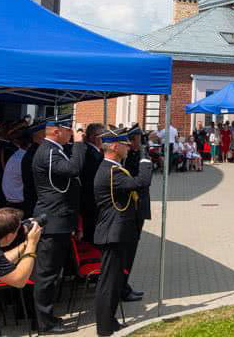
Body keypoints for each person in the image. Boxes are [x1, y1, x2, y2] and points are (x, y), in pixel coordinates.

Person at [93, 130, 153, 336]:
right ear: (115, 147)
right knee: (108, 283)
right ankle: (104, 327)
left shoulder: (114, 169)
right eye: (125, 145)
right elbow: (141, 182)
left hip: (117, 232)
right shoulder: (111, 172)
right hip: (113, 233)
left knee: (115, 280)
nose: (128, 148)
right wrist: (145, 161)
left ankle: (110, 321)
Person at [31, 115, 85, 334]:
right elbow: (73, 169)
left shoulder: (54, 149)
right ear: (56, 132)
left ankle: (47, 317)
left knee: (52, 274)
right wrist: (79, 144)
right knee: (47, 275)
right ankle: (44, 323)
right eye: (68, 130)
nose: (71, 133)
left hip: (59, 219)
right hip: (53, 220)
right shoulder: (49, 152)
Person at [0, 208, 43, 336]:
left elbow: (1, 261)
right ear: (10, 236)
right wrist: (32, 244)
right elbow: (19, 280)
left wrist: (26, 244)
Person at [121, 125, 149, 303]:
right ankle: (123, 288)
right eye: (138, 139)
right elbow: (142, 180)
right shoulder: (129, 158)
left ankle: (124, 285)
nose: (141, 142)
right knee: (127, 252)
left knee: (131, 251)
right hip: (133, 208)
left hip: (138, 208)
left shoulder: (138, 154)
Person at [80, 123, 106, 243]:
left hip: (92, 199)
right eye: (102, 136)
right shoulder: (90, 153)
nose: (104, 139)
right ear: (92, 137)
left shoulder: (96, 151)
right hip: (90, 199)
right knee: (91, 230)